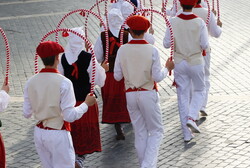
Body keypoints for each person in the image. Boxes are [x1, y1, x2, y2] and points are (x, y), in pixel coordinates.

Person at [23, 41, 97, 168]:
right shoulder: (64, 82)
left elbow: (26, 113)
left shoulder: (30, 82)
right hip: (58, 132)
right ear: (58, 58)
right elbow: (69, 116)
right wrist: (86, 104)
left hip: (40, 132)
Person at [114, 15, 174, 167]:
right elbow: (157, 77)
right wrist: (167, 68)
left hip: (130, 94)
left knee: (140, 132)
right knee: (156, 131)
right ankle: (147, 165)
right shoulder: (152, 50)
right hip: (147, 92)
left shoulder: (122, 50)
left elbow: (117, 76)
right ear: (146, 31)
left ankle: (144, 164)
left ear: (131, 31)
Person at [163, 0, 209, 142]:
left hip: (179, 61)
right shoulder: (200, 22)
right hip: (195, 61)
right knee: (200, 89)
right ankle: (192, 116)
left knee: (182, 96)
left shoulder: (173, 21)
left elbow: (166, 44)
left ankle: (186, 133)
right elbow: (204, 45)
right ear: (195, 5)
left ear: (181, 4)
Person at [58, 27, 107, 168]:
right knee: (84, 133)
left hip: (68, 102)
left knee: (71, 133)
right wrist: (102, 69)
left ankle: (73, 158)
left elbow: (60, 78)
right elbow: (99, 80)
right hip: (86, 101)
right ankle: (79, 159)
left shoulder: (62, 58)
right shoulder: (88, 58)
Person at [94, 9, 131, 140]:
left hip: (109, 73)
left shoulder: (102, 36)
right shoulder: (127, 35)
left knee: (112, 100)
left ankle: (117, 125)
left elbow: (97, 56)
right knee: (125, 99)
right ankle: (127, 119)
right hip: (125, 73)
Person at [189, 0, 222, 116]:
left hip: (188, 51)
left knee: (191, 79)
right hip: (204, 50)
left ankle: (193, 105)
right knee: (205, 77)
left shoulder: (181, 13)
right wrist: (219, 25)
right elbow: (216, 33)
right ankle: (202, 105)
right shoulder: (207, 13)